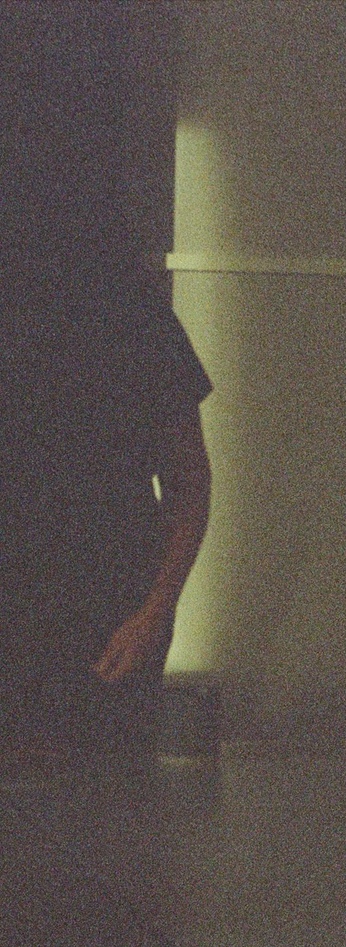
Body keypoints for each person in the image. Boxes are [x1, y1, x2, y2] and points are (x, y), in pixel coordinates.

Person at [0, 267, 213, 764]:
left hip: (109, 614)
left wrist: (153, 613)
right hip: (92, 609)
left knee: (105, 785)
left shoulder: (139, 319)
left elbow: (188, 484)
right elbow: (187, 485)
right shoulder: (140, 317)